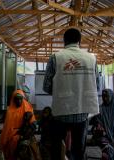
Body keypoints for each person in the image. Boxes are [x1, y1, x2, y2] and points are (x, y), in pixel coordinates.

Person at [43, 28, 99, 160]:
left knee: (58, 149)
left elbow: (46, 87)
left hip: (61, 112)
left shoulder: (56, 57)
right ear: (79, 41)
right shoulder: (92, 58)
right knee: (79, 150)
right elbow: (96, 84)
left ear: (64, 41)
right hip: (83, 112)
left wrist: (60, 92)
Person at [0, 90, 40, 160]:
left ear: (23, 99)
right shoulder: (10, 111)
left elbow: (33, 124)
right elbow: (7, 127)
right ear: (13, 99)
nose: (18, 101)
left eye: (20, 99)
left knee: (23, 146)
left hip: (25, 133)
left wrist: (24, 134)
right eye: (16, 99)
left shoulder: (27, 108)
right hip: (11, 134)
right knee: (10, 143)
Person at [90, 89, 114, 160]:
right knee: (107, 147)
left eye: (107, 96)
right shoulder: (100, 109)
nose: (105, 98)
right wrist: (98, 125)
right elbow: (94, 121)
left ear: (111, 97)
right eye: (103, 96)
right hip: (102, 135)